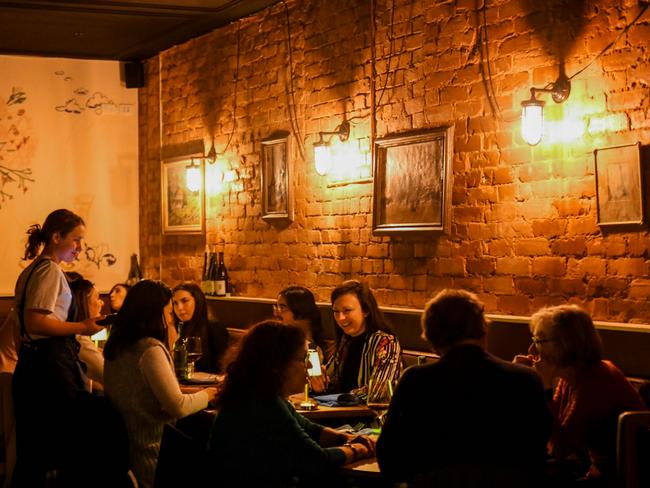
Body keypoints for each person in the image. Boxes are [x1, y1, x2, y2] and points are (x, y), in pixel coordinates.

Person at [377, 289, 552, 486]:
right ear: (484, 330)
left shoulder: (415, 381)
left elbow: (389, 458)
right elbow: (537, 457)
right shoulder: (525, 380)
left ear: (431, 337)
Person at [208, 320, 374, 487]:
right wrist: (358, 449)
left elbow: (310, 429)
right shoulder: (262, 404)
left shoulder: (259, 394)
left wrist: (346, 437)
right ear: (277, 365)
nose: (309, 365)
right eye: (302, 359)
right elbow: (317, 460)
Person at [11, 208, 104, 487]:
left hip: (30, 365)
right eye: (76, 240)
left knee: (33, 456)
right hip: (50, 370)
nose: (79, 248)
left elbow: (23, 329)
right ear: (55, 237)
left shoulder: (30, 271)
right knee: (65, 449)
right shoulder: (49, 271)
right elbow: (35, 322)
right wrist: (83, 327)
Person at [514, 304, 646, 486]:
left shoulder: (597, 379)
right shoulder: (571, 377)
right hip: (595, 471)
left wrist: (543, 387)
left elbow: (559, 449)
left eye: (539, 341)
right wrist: (520, 381)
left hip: (621, 478)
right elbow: (549, 431)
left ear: (566, 343)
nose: (532, 349)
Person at [104, 279, 217, 488]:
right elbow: (178, 406)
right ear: (155, 313)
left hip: (125, 449)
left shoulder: (119, 345)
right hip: (153, 455)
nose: (170, 317)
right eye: (168, 311)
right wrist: (210, 394)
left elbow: (147, 389)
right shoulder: (150, 349)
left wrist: (197, 391)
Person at [325, 280, 402, 401]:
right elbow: (330, 380)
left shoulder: (386, 342)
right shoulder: (345, 342)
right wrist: (319, 383)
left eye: (347, 310)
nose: (340, 318)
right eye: (336, 311)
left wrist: (342, 398)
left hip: (370, 417)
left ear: (366, 310)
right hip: (338, 414)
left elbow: (378, 390)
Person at [275, 286, 328, 392]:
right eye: (277, 307)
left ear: (300, 311)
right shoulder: (277, 340)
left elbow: (317, 387)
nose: (277, 312)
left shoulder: (312, 351)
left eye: (283, 307)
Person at [172, 282, 229, 373]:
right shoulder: (176, 328)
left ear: (198, 301)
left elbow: (222, 369)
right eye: (175, 303)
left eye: (185, 301)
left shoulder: (214, 328)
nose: (179, 308)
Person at [67, 274, 105, 387]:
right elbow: (108, 374)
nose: (102, 303)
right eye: (97, 298)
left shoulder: (77, 336)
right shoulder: (80, 339)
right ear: (84, 303)